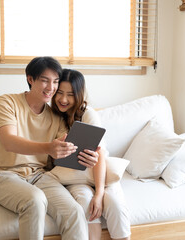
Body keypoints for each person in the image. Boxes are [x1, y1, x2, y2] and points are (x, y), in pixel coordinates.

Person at [0, 57, 98, 240]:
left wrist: (89, 158)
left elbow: (66, 150)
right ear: (30, 79)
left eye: (55, 81)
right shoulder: (6, 102)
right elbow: (9, 142)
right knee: (34, 199)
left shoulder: (55, 117)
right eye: (44, 80)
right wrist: (48, 148)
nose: (51, 87)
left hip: (38, 175)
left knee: (74, 211)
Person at [51, 69, 131, 240]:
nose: (63, 100)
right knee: (87, 205)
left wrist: (99, 193)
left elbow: (99, 155)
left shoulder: (88, 114)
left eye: (70, 94)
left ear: (79, 95)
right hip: (74, 178)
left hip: (100, 175)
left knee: (116, 206)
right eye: (60, 93)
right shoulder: (51, 117)